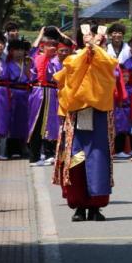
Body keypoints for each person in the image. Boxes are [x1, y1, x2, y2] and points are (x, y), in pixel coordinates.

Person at [53, 26, 123, 221]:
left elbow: (110, 67)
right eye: (87, 36)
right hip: (76, 115)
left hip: (99, 115)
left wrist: (95, 48)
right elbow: (70, 78)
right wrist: (88, 49)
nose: (90, 39)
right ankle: (78, 206)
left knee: (99, 160)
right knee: (77, 161)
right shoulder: (73, 58)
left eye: (93, 36)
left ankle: (95, 206)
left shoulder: (105, 58)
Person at [26, 29, 65, 166]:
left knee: (51, 124)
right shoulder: (37, 57)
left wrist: (60, 33)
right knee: (37, 124)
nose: (53, 47)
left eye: (55, 45)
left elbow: (71, 46)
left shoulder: (55, 61)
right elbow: (33, 49)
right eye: (50, 45)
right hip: (40, 93)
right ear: (43, 46)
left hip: (52, 93)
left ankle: (49, 153)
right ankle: (34, 157)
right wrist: (41, 34)